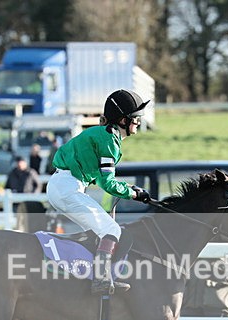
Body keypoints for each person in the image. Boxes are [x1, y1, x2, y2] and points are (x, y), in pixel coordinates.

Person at [47, 89, 151, 294]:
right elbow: (108, 184)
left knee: (100, 230)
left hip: (64, 185)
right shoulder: (109, 140)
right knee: (111, 230)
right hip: (67, 187)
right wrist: (134, 194)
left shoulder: (105, 135)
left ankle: (87, 273)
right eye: (136, 118)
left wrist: (130, 189)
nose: (138, 122)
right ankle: (101, 280)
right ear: (123, 119)